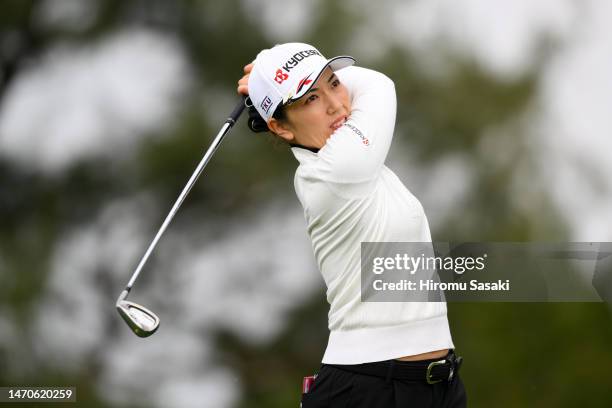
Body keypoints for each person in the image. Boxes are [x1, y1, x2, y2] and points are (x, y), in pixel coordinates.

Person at [237, 42, 467, 407]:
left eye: (333, 83)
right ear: (279, 127)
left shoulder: (362, 165)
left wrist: (272, 75)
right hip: (369, 391)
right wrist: (270, 75)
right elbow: (379, 86)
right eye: (310, 99)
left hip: (438, 387)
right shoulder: (334, 172)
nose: (336, 104)